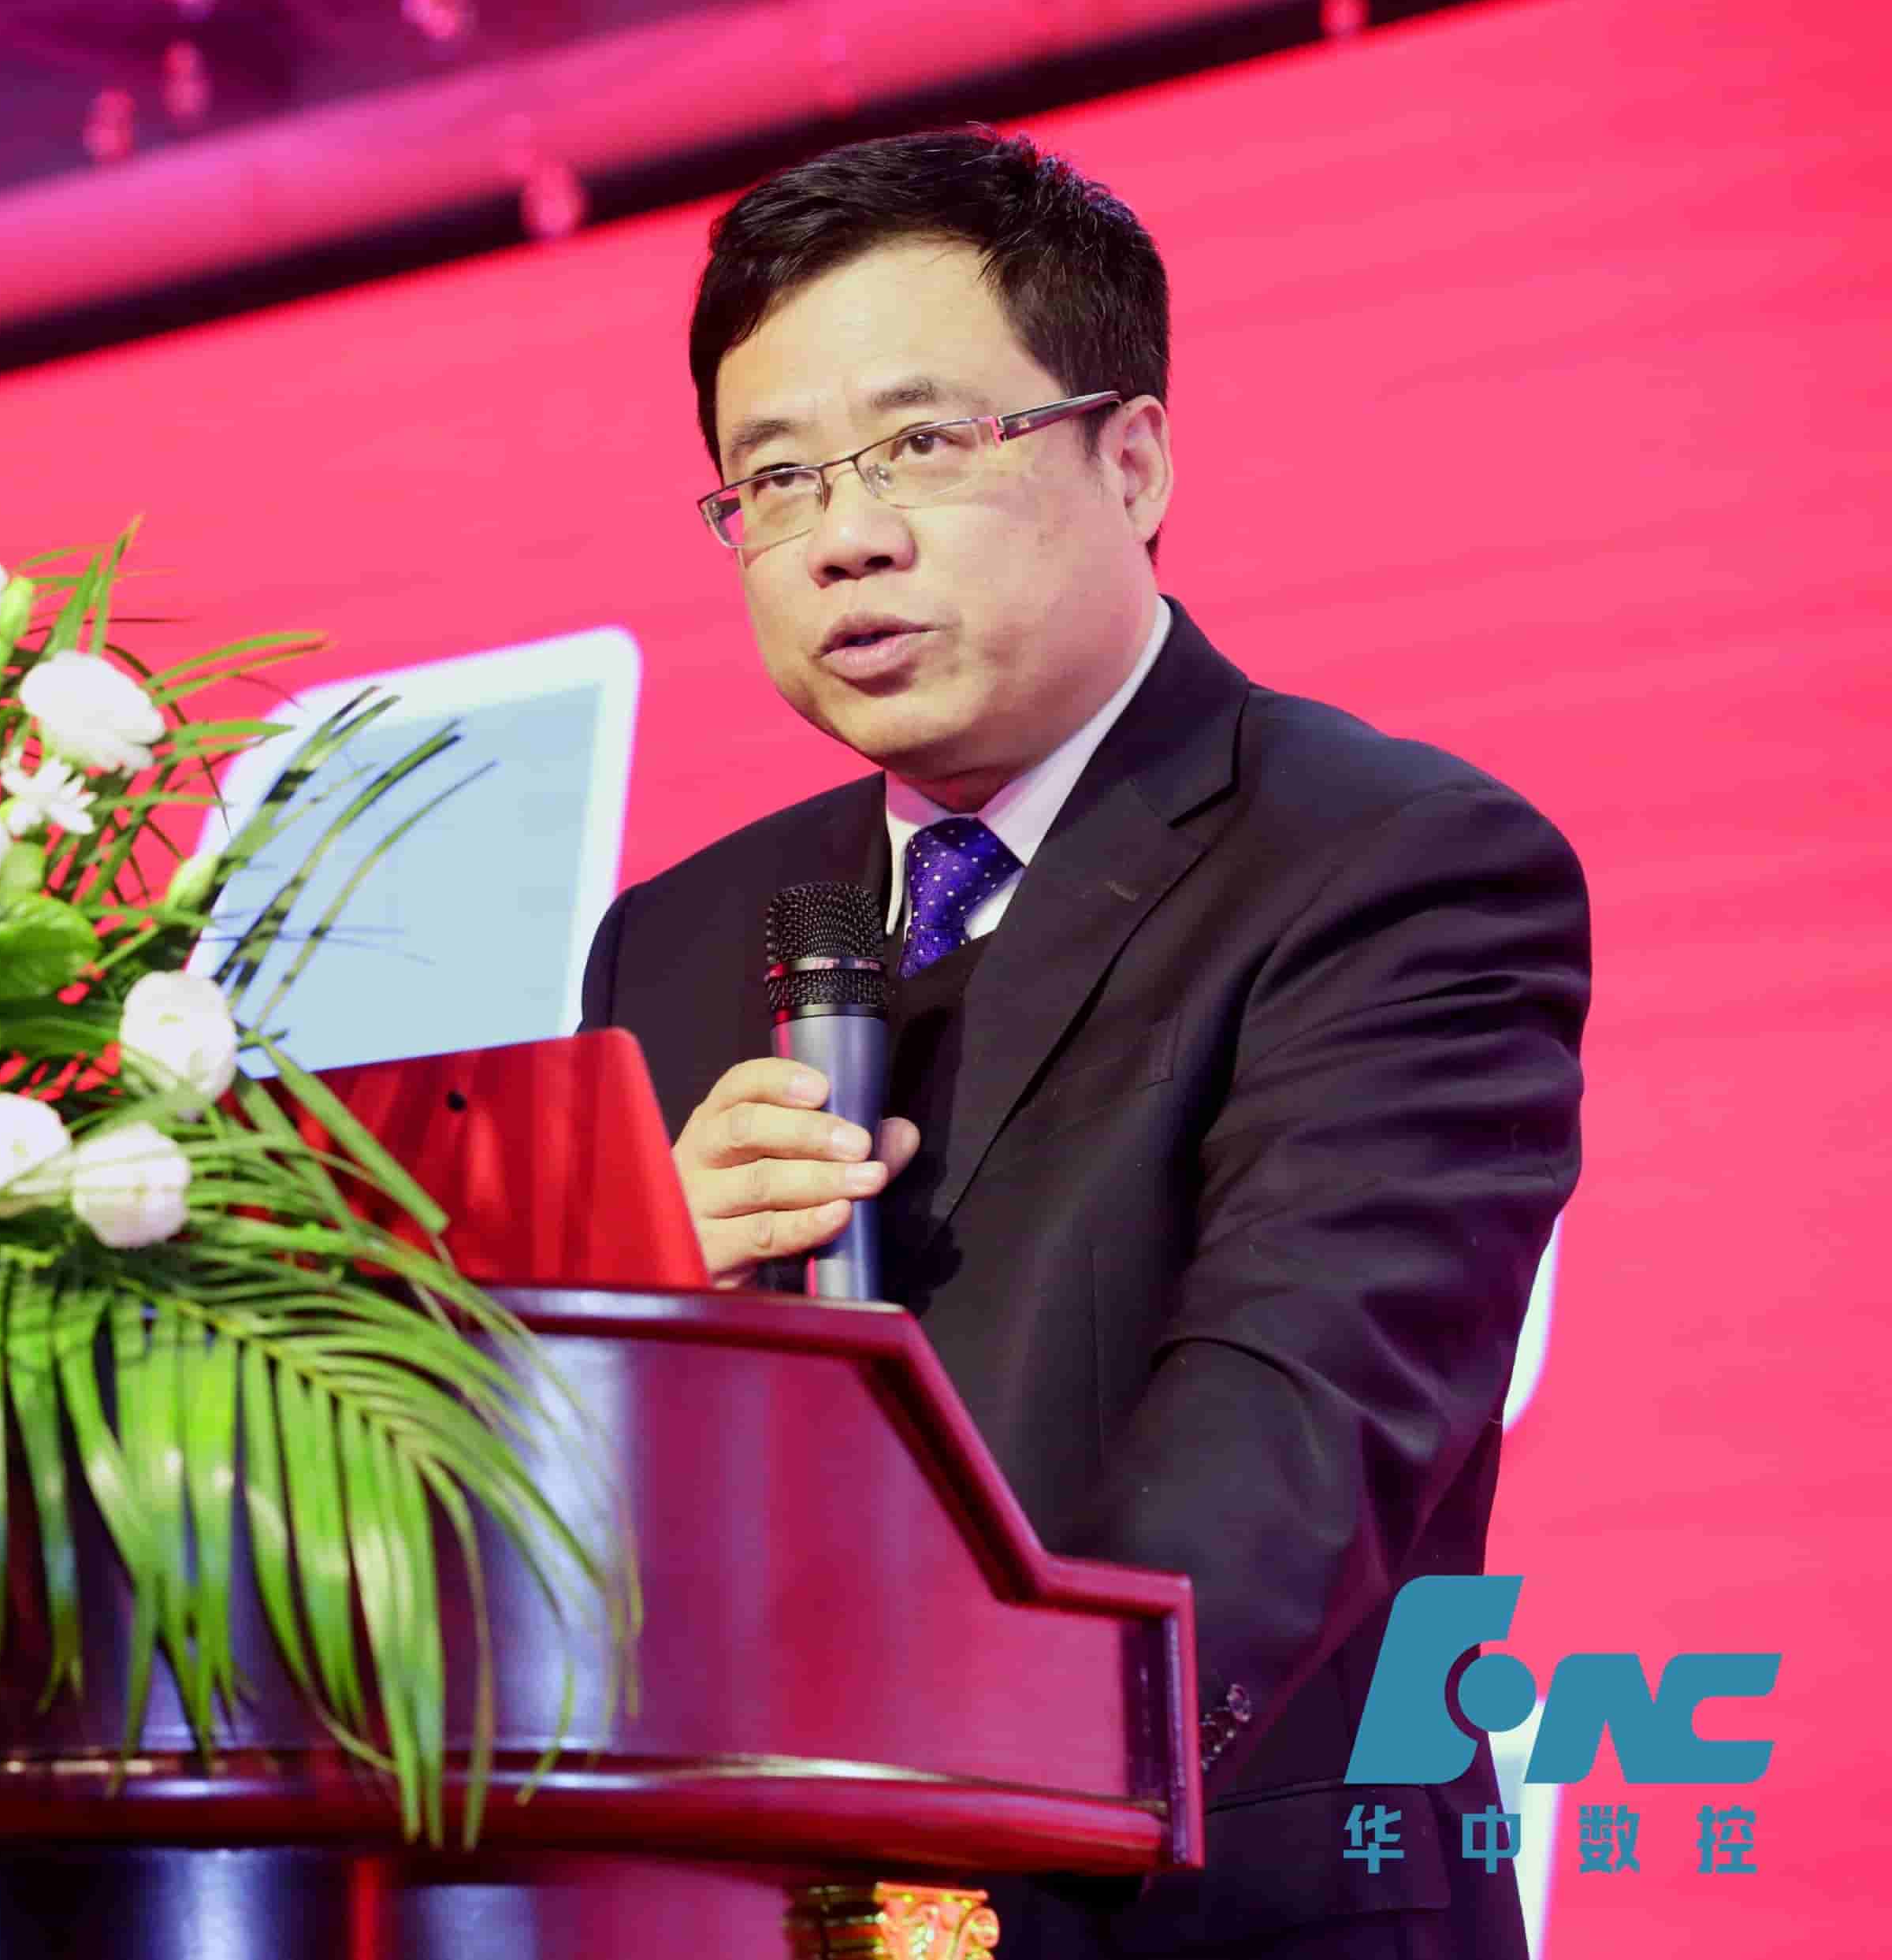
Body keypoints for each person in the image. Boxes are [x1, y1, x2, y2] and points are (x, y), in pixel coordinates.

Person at [578, 126, 1587, 1959]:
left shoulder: (1388, 863)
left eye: (921, 444)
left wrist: (941, 1838)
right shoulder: (679, 937)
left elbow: (1284, 1456)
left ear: (1130, 460)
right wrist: (627, 1297)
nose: (843, 535)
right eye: (774, 479)